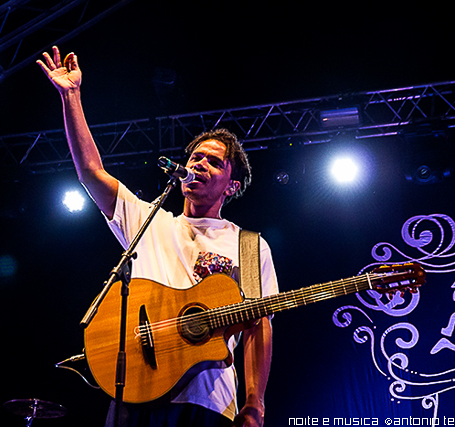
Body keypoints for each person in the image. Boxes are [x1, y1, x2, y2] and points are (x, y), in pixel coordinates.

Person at [37, 46, 279, 427]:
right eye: (196, 156)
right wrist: (71, 97)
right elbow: (90, 172)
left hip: (208, 401)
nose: (199, 163)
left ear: (231, 186)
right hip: (136, 389)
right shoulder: (151, 219)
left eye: (214, 161)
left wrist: (255, 403)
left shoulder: (249, 246)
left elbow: (257, 326)